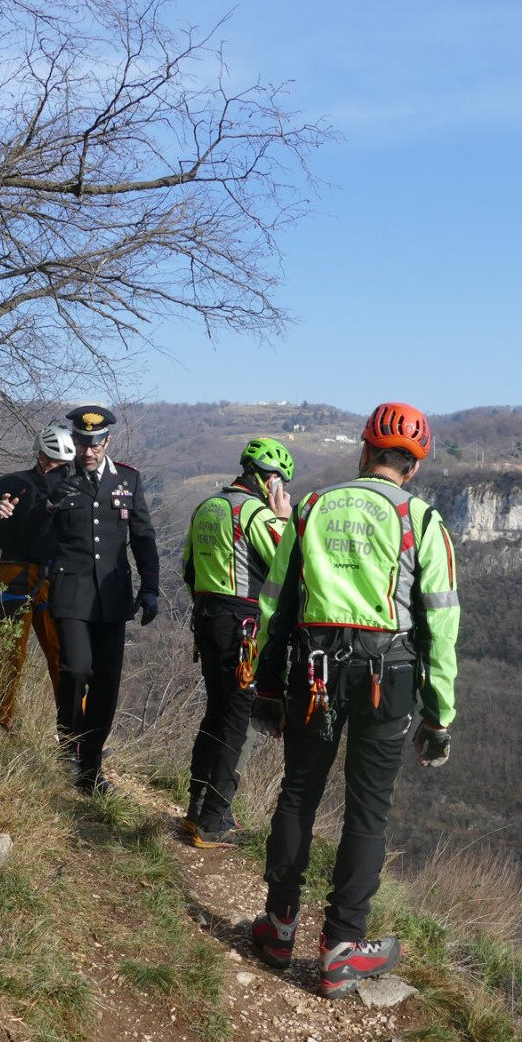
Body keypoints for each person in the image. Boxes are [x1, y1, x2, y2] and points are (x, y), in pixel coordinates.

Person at [247, 402, 460, 998]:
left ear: (363, 451)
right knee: (368, 809)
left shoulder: (313, 506)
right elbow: (440, 625)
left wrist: (267, 687)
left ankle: (279, 926)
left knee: (299, 795)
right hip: (386, 675)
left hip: (312, 669)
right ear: (412, 469)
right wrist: (439, 716)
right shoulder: (421, 520)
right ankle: (342, 947)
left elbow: (276, 602)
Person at [180, 437, 296, 847]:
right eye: (280, 483)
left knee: (215, 712)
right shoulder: (253, 512)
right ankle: (214, 820)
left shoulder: (207, 506)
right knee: (237, 718)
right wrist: (282, 519)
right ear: (270, 481)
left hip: (206, 618)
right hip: (242, 626)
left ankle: (196, 810)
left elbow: (188, 567)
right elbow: (291, 560)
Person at [39, 405, 160, 794]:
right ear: (73, 440)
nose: (87, 451)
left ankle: (90, 769)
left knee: (107, 683)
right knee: (76, 670)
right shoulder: (57, 481)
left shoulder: (129, 480)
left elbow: (143, 538)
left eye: (94, 444)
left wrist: (151, 587)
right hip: (70, 592)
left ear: (107, 441)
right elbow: (40, 534)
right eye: (81, 443)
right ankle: (70, 744)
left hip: (112, 597)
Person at [0, 424, 75, 728]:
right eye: (50, 460)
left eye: (63, 464)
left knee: (63, 657)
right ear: (39, 455)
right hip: (15, 572)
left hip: (56, 576)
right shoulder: (12, 483)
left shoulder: (75, 488)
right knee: (8, 656)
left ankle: (75, 730)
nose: (56, 469)